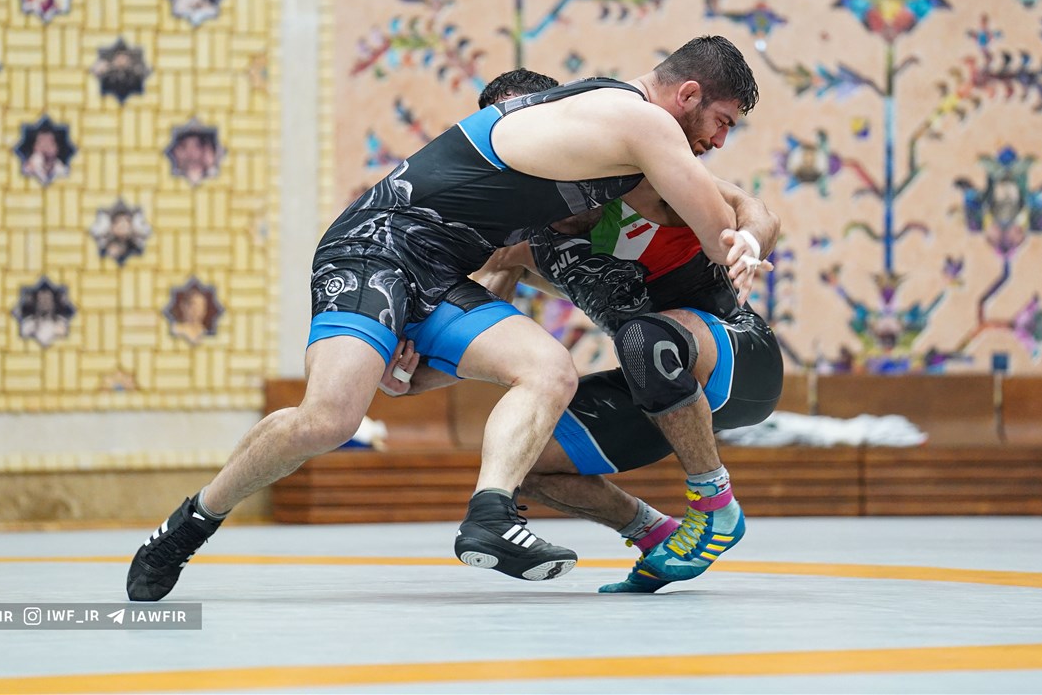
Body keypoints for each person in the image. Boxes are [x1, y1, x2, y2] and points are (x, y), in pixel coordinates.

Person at [126, 36, 760, 601]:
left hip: (439, 273)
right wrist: (740, 246)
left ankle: (490, 517)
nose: (718, 142)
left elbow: (737, 206)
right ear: (687, 94)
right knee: (329, 418)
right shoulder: (639, 119)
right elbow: (717, 226)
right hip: (377, 247)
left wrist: (420, 369)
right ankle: (189, 524)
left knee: (549, 370)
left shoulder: (604, 137)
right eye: (721, 122)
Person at [381, 69, 783, 593]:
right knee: (523, 460)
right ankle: (654, 533)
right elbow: (478, 342)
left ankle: (714, 505)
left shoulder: (639, 178)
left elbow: (756, 210)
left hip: (737, 358)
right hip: (659, 392)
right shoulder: (516, 245)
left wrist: (749, 241)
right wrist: (408, 378)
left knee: (644, 339)